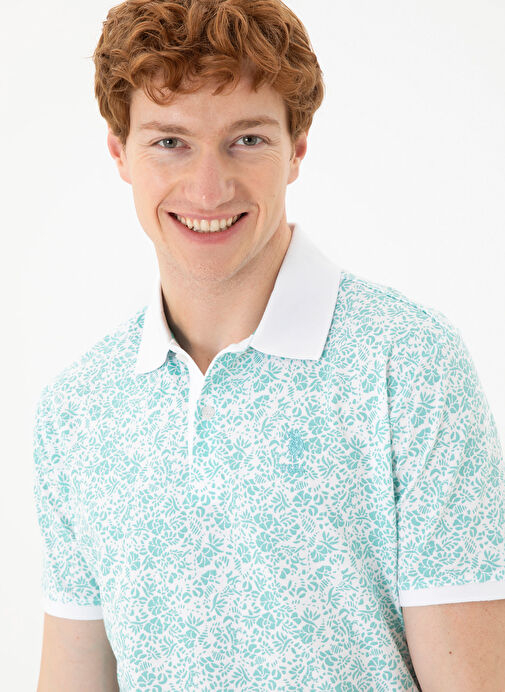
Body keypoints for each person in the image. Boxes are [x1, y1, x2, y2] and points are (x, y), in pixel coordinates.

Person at [33, 0, 505, 690]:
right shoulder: (77, 409)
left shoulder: (408, 366)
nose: (208, 189)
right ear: (119, 152)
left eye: (247, 139)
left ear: (297, 148)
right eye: (170, 142)